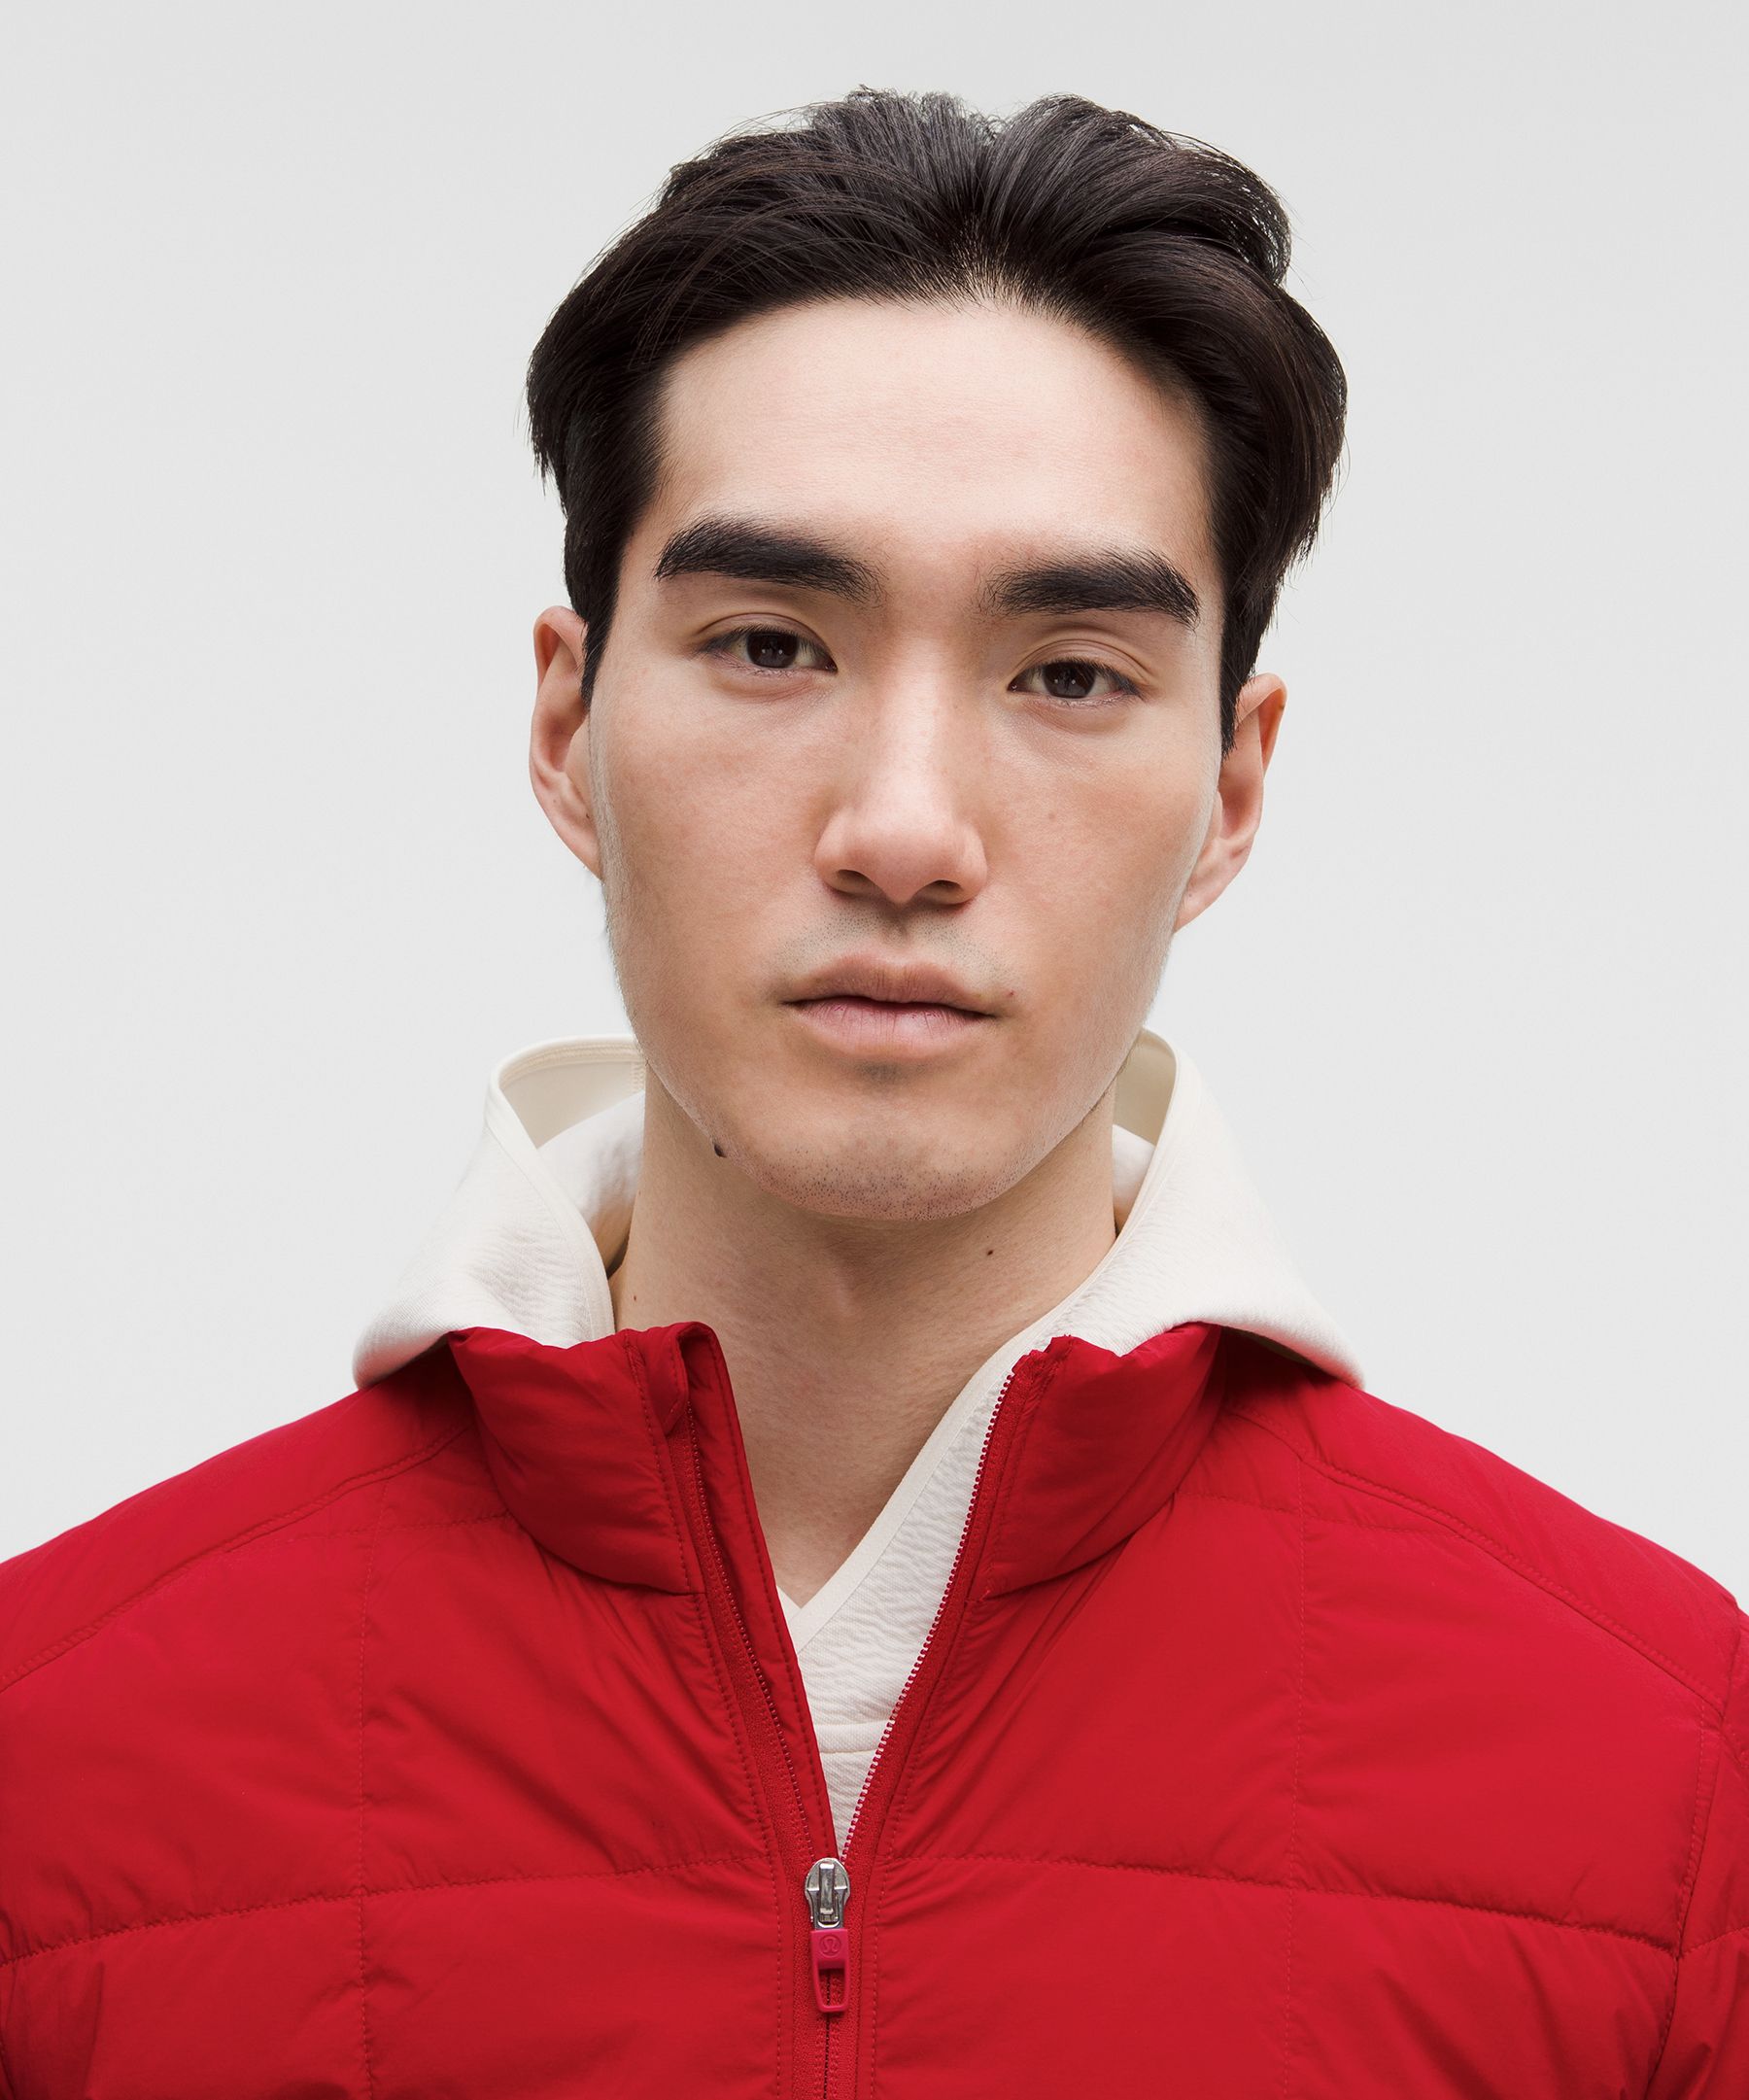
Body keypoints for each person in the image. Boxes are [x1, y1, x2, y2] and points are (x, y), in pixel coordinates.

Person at [0, 86, 1741, 2094]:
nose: (904, 830)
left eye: (1070, 673)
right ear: (566, 726)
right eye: (769, 643)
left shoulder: (1673, 1780)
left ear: (1231, 787)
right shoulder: (54, 1759)